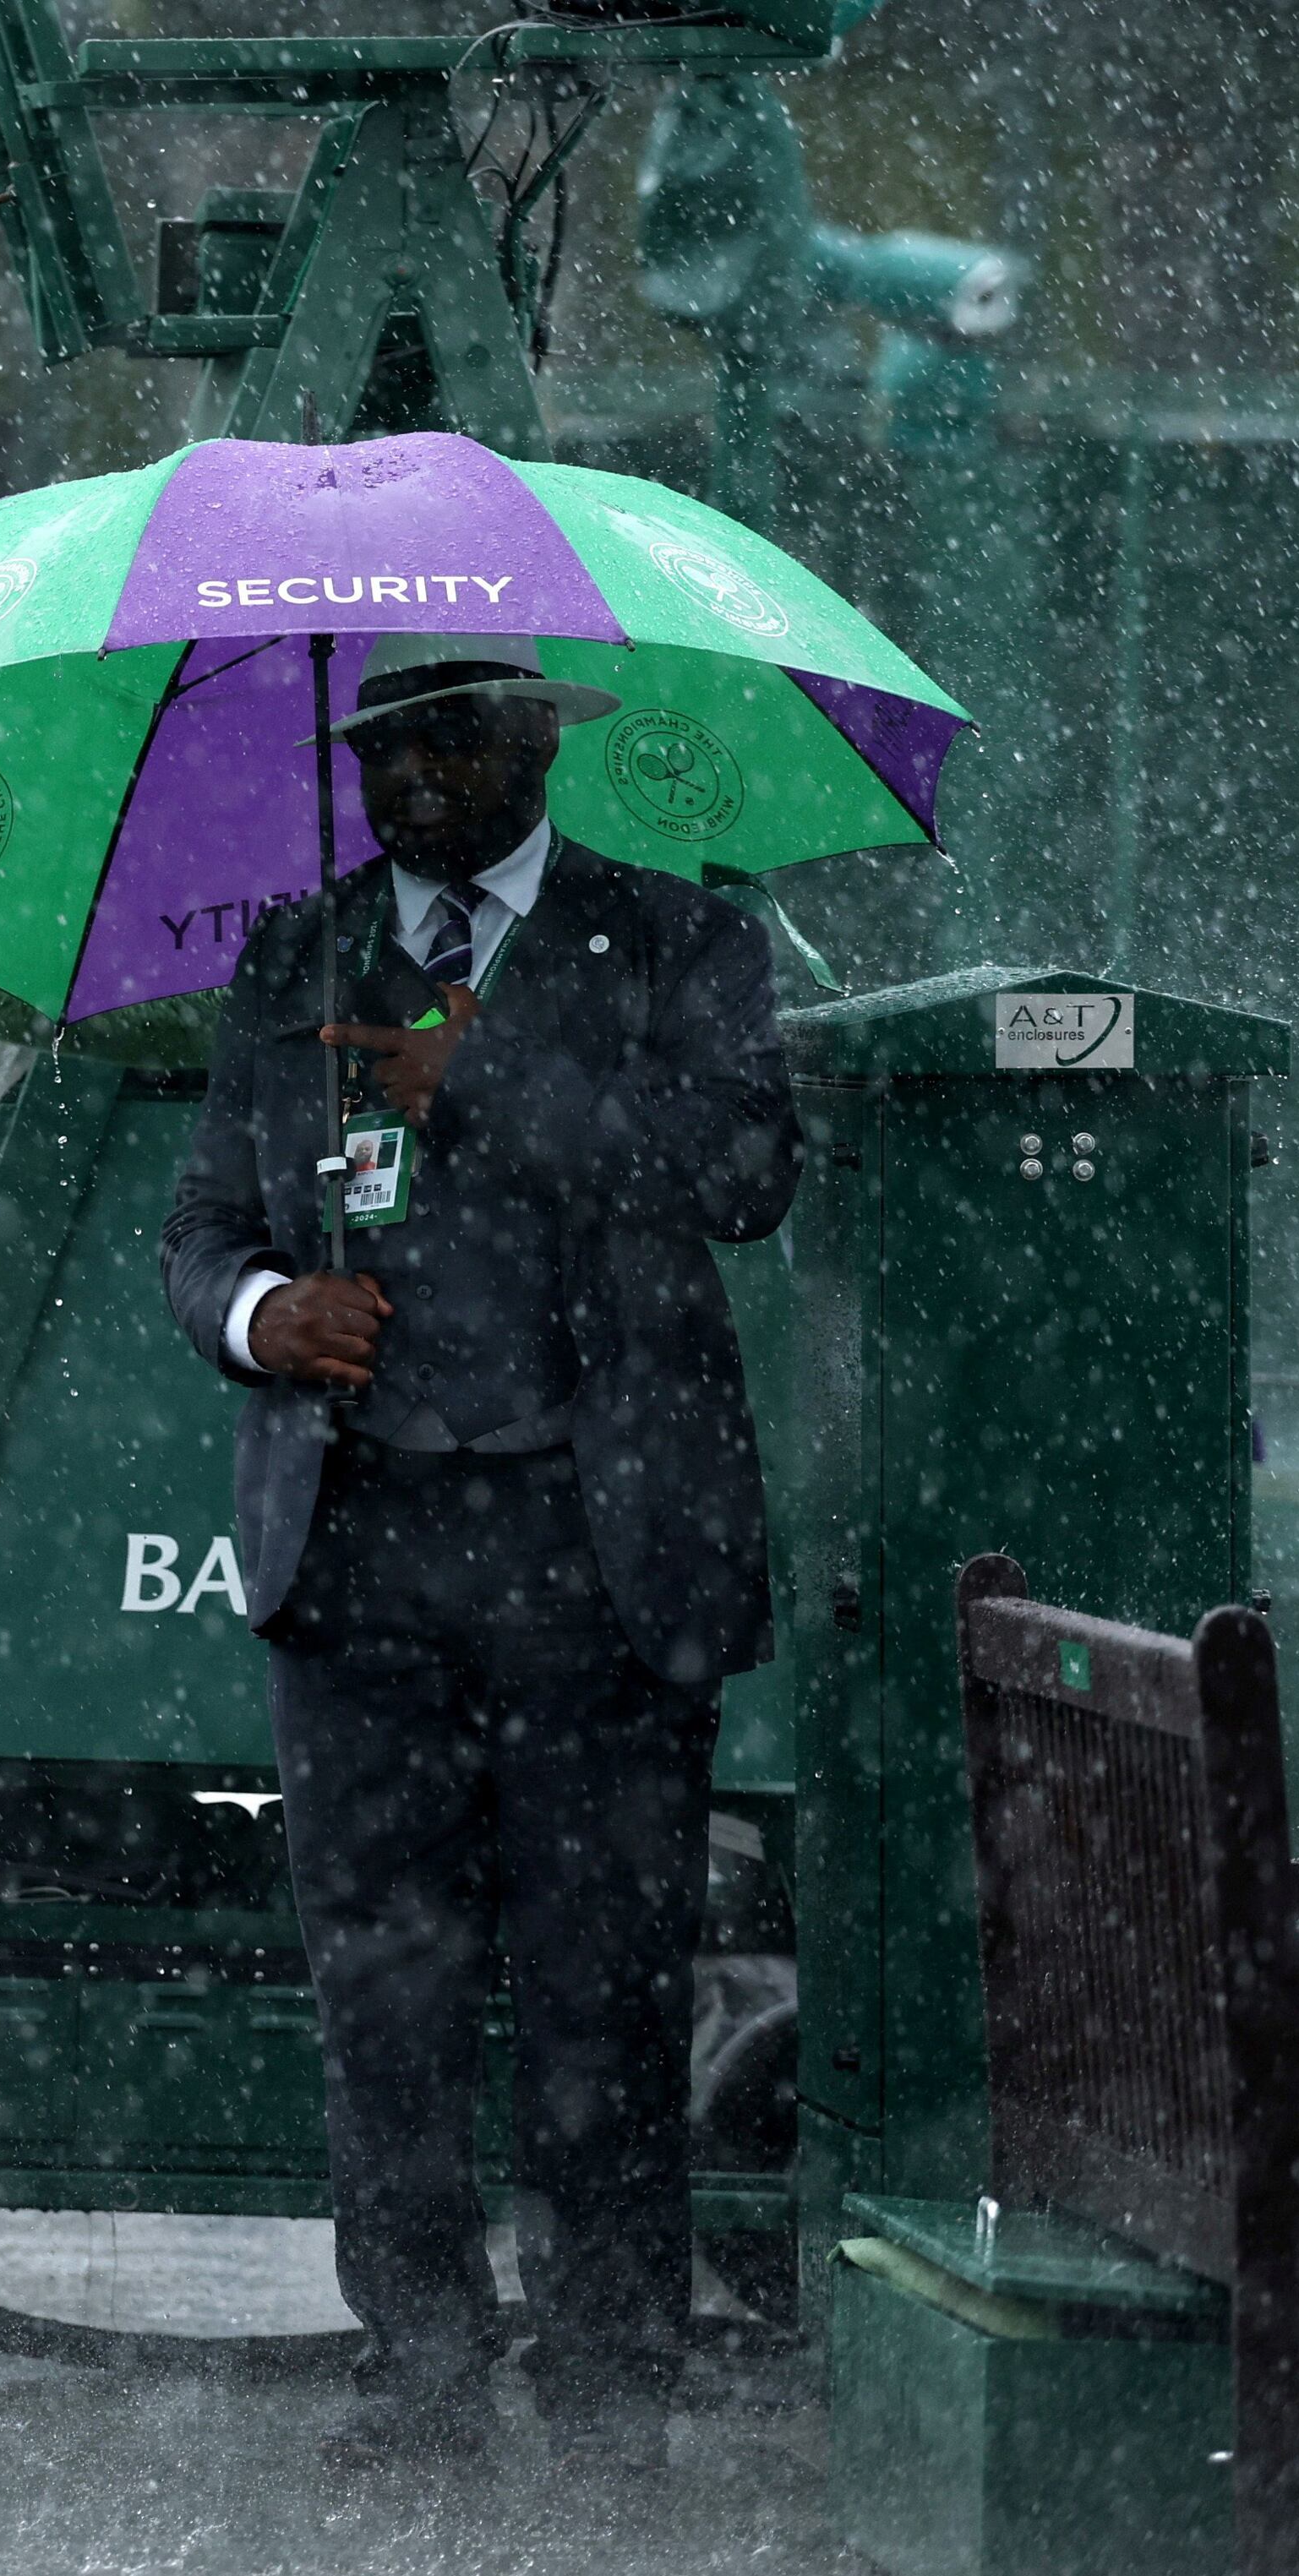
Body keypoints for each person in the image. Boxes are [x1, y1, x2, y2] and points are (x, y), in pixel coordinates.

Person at [156, 631, 798, 2476]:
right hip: (358, 1559)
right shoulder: (298, 953)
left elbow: (748, 1173)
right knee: (383, 1984)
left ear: (535, 743)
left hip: (598, 1564)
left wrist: (485, 1082)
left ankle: (608, 2394)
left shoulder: (681, 943)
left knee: (607, 1981)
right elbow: (200, 1220)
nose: (410, 781)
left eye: (446, 744)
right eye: (382, 754)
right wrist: (263, 1312)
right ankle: (417, 2371)